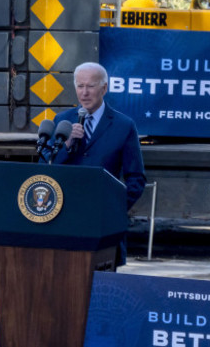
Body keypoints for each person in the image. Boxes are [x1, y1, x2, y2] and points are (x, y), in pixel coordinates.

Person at [46, 62, 146, 266]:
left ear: (104, 88)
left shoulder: (123, 125)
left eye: (90, 86)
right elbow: (44, 165)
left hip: (102, 225)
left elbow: (136, 178)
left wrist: (114, 210)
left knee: (100, 288)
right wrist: (66, 144)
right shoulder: (62, 121)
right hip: (63, 220)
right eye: (80, 86)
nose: (84, 93)